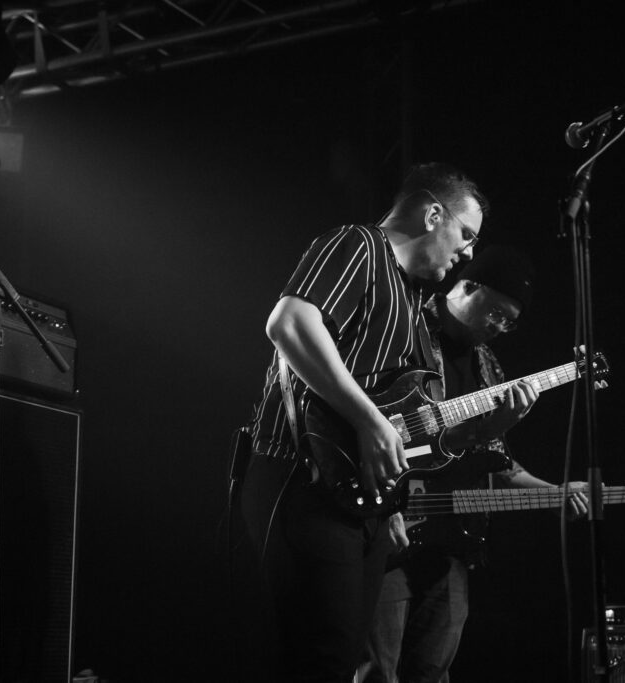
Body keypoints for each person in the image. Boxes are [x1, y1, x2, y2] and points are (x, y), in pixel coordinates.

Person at [238, 162, 488, 682]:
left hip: (365, 504)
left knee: (345, 659)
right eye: (465, 234)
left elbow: (400, 418)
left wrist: (395, 497)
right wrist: (371, 422)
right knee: (318, 659)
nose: (468, 252)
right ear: (432, 214)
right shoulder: (359, 245)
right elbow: (289, 322)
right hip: (303, 484)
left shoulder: (417, 304)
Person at [359, 245, 589, 683]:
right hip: (386, 527)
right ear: (467, 286)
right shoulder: (404, 332)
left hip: (453, 542)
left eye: (511, 321)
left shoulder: (488, 364)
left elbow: (497, 461)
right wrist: (382, 505)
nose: (501, 327)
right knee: (376, 673)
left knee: (432, 672)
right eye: (497, 312)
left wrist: (554, 493)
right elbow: (362, 423)